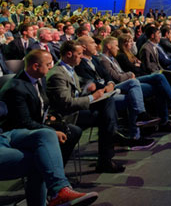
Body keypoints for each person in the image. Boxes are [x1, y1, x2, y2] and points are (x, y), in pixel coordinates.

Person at [46, 41, 125, 173]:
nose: (82, 57)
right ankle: (108, 150)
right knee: (105, 119)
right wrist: (92, 97)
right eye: (79, 54)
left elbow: (78, 86)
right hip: (67, 115)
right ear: (69, 54)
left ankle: (110, 140)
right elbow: (67, 103)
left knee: (107, 103)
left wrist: (88, 86)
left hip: (77, 109)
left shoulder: (69, 68)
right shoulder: (57, 74)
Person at [0, 100, 99, 206]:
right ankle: (56, 194)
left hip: (5, 135)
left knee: (47, 134)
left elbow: (4, 109)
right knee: (41, 158)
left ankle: (61, 191)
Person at [0, 50, 81, 165]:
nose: (51, 67)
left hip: (38, 121)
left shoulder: (40, 78)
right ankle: (47, 167)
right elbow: (24, 122)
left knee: (74, 131)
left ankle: (53, 166)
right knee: (63, 135)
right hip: (21, 130)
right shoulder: (16, 88)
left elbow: (43, 104)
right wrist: (51, 131)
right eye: (48, 64)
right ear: (35, 66)